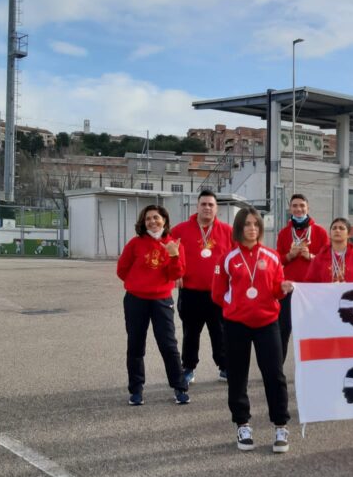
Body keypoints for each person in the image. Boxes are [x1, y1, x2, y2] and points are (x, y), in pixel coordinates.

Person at [213, 206, 294, 453]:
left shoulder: (271, 256)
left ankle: (280, 425)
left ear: (260, 228)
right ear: (239, 228)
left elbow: (276, 290)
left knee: (274, 375)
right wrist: (235, 307)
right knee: (237, 376)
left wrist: (283, 288)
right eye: (247, 224)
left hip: (267, 323)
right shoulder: (227, 258)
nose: (251, 228)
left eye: (255, 224)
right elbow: (218, 294)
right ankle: (242, 424)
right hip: (237, 324)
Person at [115, 204, 190, 407]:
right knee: (135, 345)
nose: (152, 222)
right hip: (135, 300)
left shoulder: (175, 244)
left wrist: (173, 255)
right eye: (148, 218)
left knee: (168, 345)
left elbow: (176, 275)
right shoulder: (135, 243)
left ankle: (180, 387)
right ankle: (136, 390)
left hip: (162, 300)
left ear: (164, 220)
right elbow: (122, 269)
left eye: (156, 218)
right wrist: (137, 283)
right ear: (143, 222)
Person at [170, 190, 234, 384]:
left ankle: (224, 367)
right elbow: (171, 254)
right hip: (190, 291)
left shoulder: (228, 231)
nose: (207, 207)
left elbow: (236, 257)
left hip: (218, 292)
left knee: (220, 332)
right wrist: (176, 274)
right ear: (196, 207)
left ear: (217, 209)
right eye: (203, 204)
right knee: (191, 333)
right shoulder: (180, 230)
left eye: (211, 205)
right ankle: (188, 368)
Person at [275, 193, 328, 361]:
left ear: (308, 208)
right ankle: (278, 366)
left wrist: (311, 257)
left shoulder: (320, 232)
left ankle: (314, 363)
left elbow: (328, 260)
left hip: (312, 289)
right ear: (290, 208)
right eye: (295, 206)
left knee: (312, 328)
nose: (298, 209)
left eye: (301, 206)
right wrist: (289, 256)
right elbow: (277, 260)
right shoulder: (284, 233)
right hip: (289, 288)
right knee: (283, 329)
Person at [305, 217, 353, 284]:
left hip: (350, 295)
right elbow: (310, 284)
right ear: (330, 234)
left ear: (349, 234)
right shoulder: (319, 259)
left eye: (341, 228)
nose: (337, 230)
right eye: (334, 228)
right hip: (326, 295)